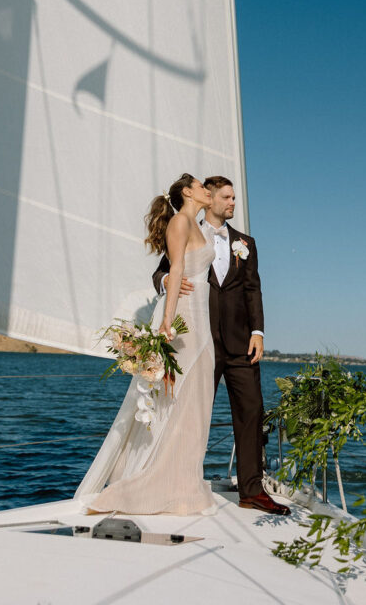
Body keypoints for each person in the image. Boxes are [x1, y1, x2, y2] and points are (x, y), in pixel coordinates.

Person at [73, 174, 218, 515]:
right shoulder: (180, 223)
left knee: (197, 407)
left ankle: (184, 483)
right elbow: (176, 270)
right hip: (183, 322)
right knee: (175, 402)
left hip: (202, 324)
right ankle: (152, 481)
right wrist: (166, 322)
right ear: (187, 192)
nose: (205, 191)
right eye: (200, 185)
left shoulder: (198, 224)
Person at [152, 176, 290, 516]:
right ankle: (181, 483)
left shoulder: (246, 242)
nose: (232, 203)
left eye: (233, 198)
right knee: (191, 412)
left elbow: (253, 289)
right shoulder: (186, 227)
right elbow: (162, 271)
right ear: (209, 198)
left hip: (241, 343)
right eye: (226, 197)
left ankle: (252, 491)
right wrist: (168, 280)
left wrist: (258, 331)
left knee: (252, 411)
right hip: (200, 340)